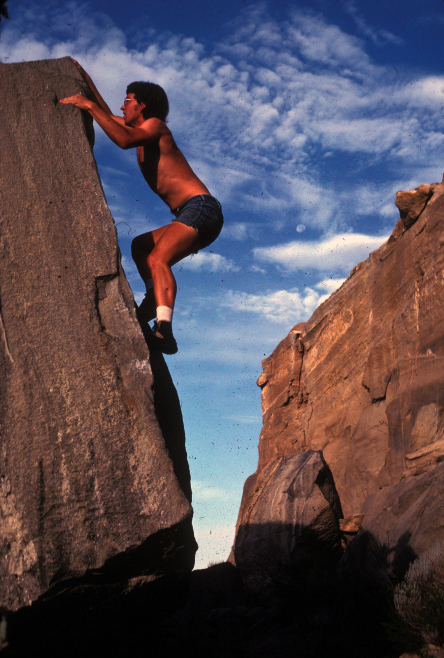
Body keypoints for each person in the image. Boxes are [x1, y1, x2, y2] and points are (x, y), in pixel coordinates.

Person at [60, 61, 223, 354]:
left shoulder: (155, 127)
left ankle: (165, 330)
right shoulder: (139, 127)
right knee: (140, 247)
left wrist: (86, 105)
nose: (122, 108)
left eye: (128, 102)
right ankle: (152, 300)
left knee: (157, 258)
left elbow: (121, 138)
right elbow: (106, 113)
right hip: (194, 212)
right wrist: (85, 78)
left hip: (200, 208)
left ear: (142, 106)